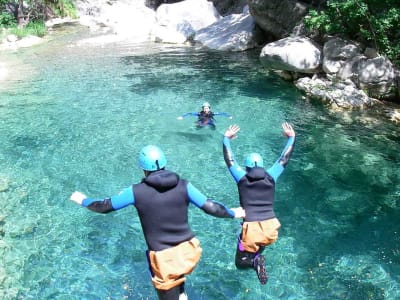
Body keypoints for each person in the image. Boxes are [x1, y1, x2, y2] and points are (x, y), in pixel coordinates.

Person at [70, 145, 245, 300]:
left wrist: (83, 200)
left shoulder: (136, 191)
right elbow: (211, 207)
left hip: (164, 259)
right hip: (189, 252)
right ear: (164, 163)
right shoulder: (184, 185)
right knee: (178, 277)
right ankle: (182, 293)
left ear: (143, 169)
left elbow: (104, 206)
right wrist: (232, 212)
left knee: (167, 287)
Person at [222, 122, 295, 285]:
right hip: (271, 228)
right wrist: (292, 138)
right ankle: (257, 258)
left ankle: (254, 262)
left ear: (247, 168)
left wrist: (225, 139)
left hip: (251, 229)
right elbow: (284, 158)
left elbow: (229, 160)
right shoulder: (271, 176)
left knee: (240, 263)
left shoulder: (242, 178)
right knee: (258, 247)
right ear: (261, 166)